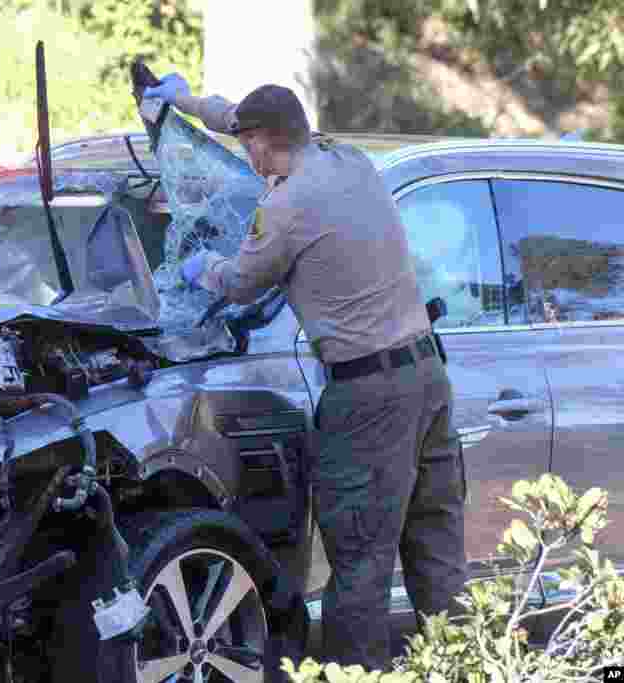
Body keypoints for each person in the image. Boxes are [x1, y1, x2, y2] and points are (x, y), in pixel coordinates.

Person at [143, 74, 467, 671]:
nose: (246, 155)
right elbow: (239, 115)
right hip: (427, 379)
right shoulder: (350, 160)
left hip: (369, 398)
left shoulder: (287, 205)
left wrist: (196, 264)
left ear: (265, 143)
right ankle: (467, 668)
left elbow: (240, 284)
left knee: (362, 566)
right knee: (438, 556)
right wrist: (182, 101)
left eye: (248, 145)